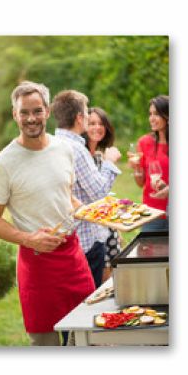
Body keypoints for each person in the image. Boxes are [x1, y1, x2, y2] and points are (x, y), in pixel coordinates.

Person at [0, 81, 95, 346]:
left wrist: (95, 213)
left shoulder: (64, 149)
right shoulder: (3, 164)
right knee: (46, 343)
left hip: (72, 257)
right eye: (24, 112)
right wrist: (28, 238)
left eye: (37, 111)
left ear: (47, 111)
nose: (31, 118)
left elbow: (65, 196)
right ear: (15, 114)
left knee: (90, 334)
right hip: (37, 262)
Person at [52, 90, 121, 288]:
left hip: (64, 237)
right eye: (87, 114)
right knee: (90, 298)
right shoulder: (77, 150)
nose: (90, 118)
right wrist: (109, 162)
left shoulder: (52, 143)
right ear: (79, 117)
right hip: (87, 240)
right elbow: (99, 193)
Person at [83, 107, 122, 281]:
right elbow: (96, 194)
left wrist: (114, 225)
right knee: (96, 283)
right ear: (83, 125)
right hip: (90, 229)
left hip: (106, 223)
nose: (97, 127)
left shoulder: (98, 157)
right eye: (91, 123)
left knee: (111, 279)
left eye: (101, 124)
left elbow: (104, 194)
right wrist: (110, 162)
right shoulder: (81, 157)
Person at [127, 95, 169, 232]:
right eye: (150, 114)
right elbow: (141, 183)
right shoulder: (144, 142)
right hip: (152, 213)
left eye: (156, 114)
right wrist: (137, 168)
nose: (151, 118)